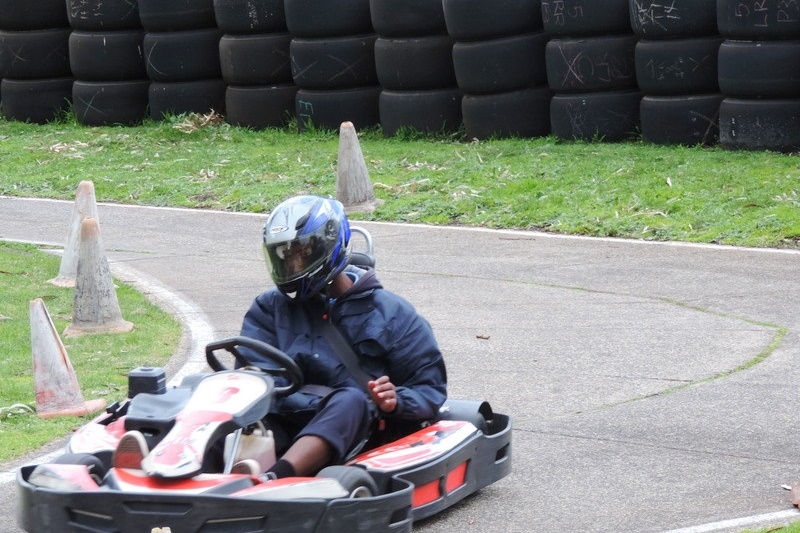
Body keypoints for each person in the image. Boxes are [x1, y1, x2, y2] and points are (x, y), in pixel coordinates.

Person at [237, 194, 447, 479]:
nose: (292, 265)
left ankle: (274, 479)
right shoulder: (269, 307)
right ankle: (187, 468)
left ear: (327, 246)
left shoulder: (391, 313)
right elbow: (255, 376)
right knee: (213, 392)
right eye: (285, 255)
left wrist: (394, 400)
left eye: (302, 253)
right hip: (285, 419)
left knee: (352, 399)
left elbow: (428, 389)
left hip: (353, 426)